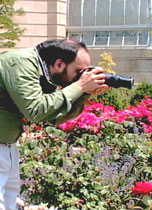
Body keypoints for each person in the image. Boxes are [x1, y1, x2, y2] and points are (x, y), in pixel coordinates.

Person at [0, 39, 110, 210]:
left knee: (9, 204)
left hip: (7, 146)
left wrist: (84, 93)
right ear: (59, 64)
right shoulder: (21, 62)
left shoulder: (45, 73)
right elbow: (35, 110)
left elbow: (52, 117)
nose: (82, 76)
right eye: (79, 71)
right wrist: (80, 86)